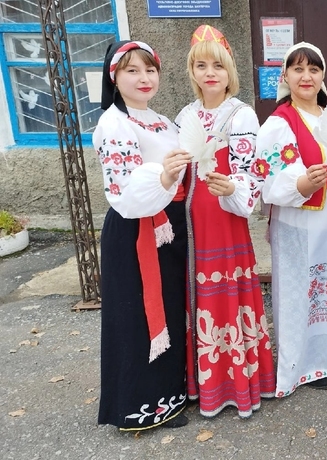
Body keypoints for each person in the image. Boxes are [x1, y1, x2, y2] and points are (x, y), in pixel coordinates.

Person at [176, 25, 275, 418]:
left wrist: (231, 187)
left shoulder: (241, 114)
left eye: (217, 65)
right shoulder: (184, 116)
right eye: (201, 65)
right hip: (192, 223)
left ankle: (238, 385)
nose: (210, 72)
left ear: (229, 69)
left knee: (228, 296)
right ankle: (204, 386)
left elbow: (251, 175)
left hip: (225, 218)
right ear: (192, 71)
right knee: (197, 296)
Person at [94, 41, 191, 430]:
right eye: (132, 70)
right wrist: (164, 177)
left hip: (169, 227)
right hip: (136, 227)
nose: (143, 78)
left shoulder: (163, 120)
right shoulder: (113, 124)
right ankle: (139, 406)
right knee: (138, 316)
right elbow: (124, 192)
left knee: (169, 308)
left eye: (150, 70)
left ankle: (170, 396)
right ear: (114, 77)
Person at [253, 42, 327, 397]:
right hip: (298, 220)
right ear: (285, 75)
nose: (306, 76)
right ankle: (300, 366)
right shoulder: (278, 123)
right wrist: (302, 183)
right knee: (300, 288)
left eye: (313, 69)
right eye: (298, 69)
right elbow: (269, 178)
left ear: (322, 76)